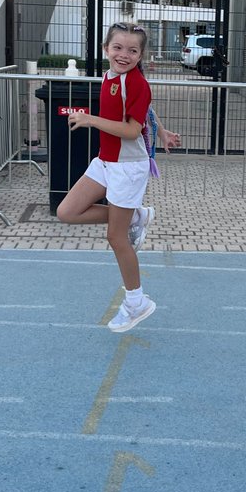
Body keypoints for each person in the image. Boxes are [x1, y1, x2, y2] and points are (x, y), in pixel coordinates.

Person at [56, 22, 161, 333]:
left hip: (128, 167)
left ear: (141, 55)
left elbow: (131, 129)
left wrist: (89, 119)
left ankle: (136, 302)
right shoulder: (111, 76)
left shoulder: (137, 82)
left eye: (132, 50)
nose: (124, 54)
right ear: (106, 49)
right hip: (106, 161)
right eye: (118, 48)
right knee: (67, 212)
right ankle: (134, 216)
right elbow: (145, 113)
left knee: (116, 238)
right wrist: (162, 130)